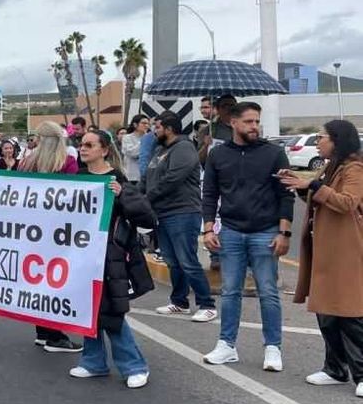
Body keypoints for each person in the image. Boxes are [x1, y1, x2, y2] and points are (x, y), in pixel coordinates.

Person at [201, 102, 293, 370]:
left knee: (268, 292)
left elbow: (285, 196)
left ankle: (273, 347)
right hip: (230, 231)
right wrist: (208, 228)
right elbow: (209, 194)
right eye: (249, 121)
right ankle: (226, 345)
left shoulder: (274, 153)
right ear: (233, 122)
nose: (255, 126)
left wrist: (283, 232)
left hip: (265, 232)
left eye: (257, 121)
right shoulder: (217, 155)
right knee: (230, 292)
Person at [280, 120, 363, 398]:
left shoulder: (355, 169)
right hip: (324, 249)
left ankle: (361, 373)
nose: (318, 143)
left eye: (322, 137)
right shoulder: (331, 166)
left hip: (346, 251)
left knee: (350, 314)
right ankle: (335, 369)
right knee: (327, 313)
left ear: (337, 140)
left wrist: (313, 183)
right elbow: (321, 198)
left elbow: (347, 202)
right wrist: (302, 187)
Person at [69, 129, 154, 389]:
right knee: (88, 308)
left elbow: (146, 218)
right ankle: (93, 361)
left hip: (110, 256)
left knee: (111, 310)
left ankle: (134, 365)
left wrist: (122, 194)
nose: (83, 149)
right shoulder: (78, 178)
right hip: (82, 254)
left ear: (104, 150)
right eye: (81, 144)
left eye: (89, 145)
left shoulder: (116, 178)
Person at [142, 111, 217, 322]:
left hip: (182, 212)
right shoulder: (159, 150)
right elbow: (147, 177)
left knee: (187, 260)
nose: (154, 131)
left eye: (157, 127)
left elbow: (172, 179)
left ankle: (207, 304)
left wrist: (148, 197)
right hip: (162, 213)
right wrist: (136, 195)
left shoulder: (184, 148)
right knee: (173, 261)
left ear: (169, 128)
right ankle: (179, 302)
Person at [17, 121, 83, 353]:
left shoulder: (26, 163)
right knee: (55, 281)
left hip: (31, 230)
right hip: (58, 231)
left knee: (36, 279)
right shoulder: (67, 162)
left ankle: (42, 331)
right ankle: (54, 334)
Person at [122, 115, 149, 184]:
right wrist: (145, 139)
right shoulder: (127, 138)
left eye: (148, 124)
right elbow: (132, 153)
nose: (146, 126)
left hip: (146, 176)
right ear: (135, 124)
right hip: (131, 176)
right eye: (143, 123)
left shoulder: (150, 138)